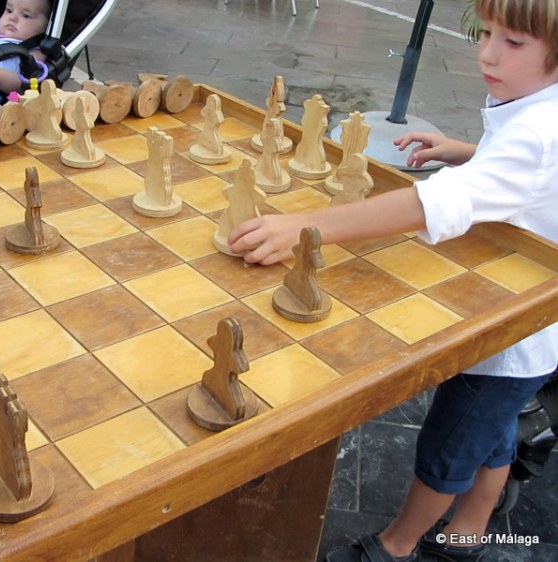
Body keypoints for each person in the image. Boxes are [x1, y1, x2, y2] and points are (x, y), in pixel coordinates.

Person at [229, 0, 558, 561]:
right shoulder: (536, 109)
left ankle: (398, 545)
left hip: (511, 341)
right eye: (486, 33)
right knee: (491, 433)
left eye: (513, 43)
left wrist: (303, 225)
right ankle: (469, 532)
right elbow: (527, 169)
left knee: (449, 447)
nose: (486, 52)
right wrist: (472, 155)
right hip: (516, 311)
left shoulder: (539, 133)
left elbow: (429, 204)